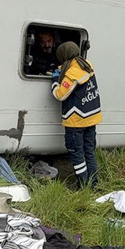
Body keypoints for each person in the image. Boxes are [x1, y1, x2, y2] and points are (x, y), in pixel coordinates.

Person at [50, 42, 102, 188]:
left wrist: (55, 80)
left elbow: (60, 94)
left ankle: (84, 186)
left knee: (77, 154)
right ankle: (93, 184)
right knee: (89, 152)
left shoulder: (72, 74)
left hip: (76, 121)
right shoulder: (86, 64)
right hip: (91, 119)